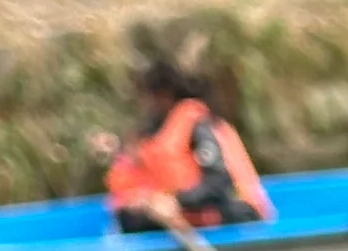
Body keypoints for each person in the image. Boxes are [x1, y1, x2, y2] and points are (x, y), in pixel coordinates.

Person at [93, 60, 274, 234]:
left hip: (234, 210)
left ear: (165, 95)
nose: (146, 106)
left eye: (148, 98)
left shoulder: (199, 125)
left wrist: (177, 201)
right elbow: (141, 177)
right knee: (129, 219)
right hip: (189, 212)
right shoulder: (153, 133)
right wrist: (146, 201)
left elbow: (219, 183)